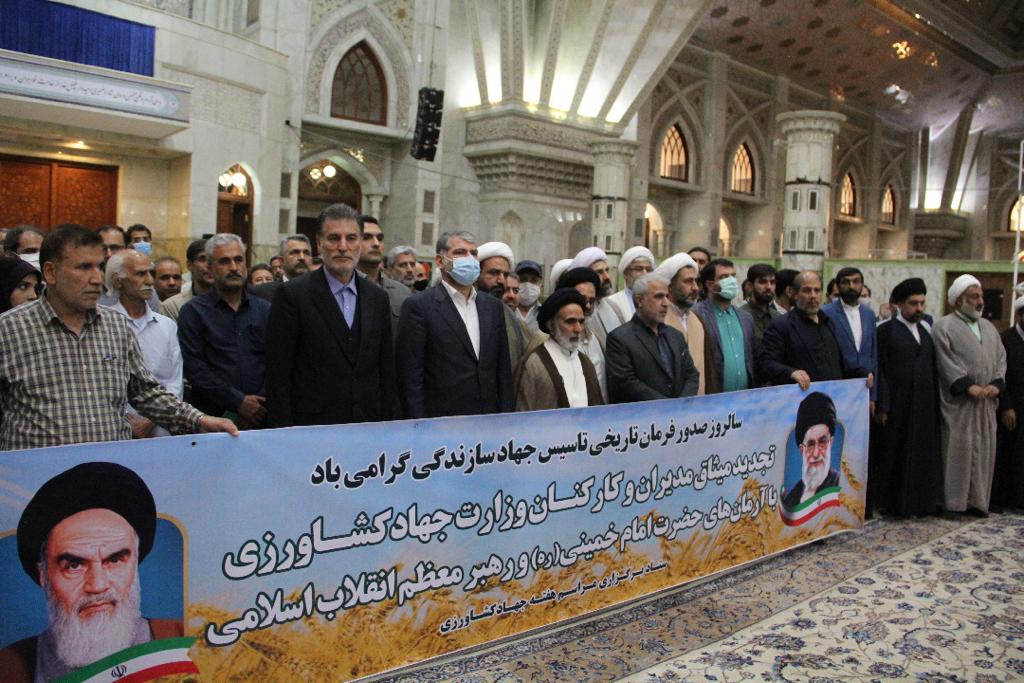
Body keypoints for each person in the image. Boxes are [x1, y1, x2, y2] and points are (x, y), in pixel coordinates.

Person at [0, 225, 235, 449]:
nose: (97, 279)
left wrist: (198, 420)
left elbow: (146, 392)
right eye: (84, 267)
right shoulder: (9, 330)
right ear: (51, 272)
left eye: (99, 267)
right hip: (37, 473)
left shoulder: (116, 326)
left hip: (110, 467)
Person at [0, 463, 183, 682]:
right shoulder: (8, 668)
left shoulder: (188, 640)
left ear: (135, 562)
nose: (97, 585)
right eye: (74, 566)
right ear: (43, 574)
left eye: (114, 560)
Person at [264, 203, 396, 427]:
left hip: (368, 427)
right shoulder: (293, 295)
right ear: (319, 243)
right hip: (312, 428)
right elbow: (278, 373)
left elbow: (385, 370)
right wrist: (284, 433)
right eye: (334, 238)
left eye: (351, 238)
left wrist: (387, 426)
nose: (343, 247)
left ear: (360, 243)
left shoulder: (377, 298)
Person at [396, 230, 513, 418]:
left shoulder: (492, 307)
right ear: (441, 261)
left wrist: (506, 418)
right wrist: (419, 425)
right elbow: (410, 377)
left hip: (488, 421)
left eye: (473, 253)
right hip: (441, 423)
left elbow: (503, 372)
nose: (469, 258)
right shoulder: (419, 306)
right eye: (460, 252)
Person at [177, 234, 271, 429]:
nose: (234, 267)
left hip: (263, 416)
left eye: (238, 260)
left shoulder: (265, 309)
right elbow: (195, 369)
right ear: (210, 268)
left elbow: (277, 361)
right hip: (213, 419)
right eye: (224, 261)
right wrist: (239, 402)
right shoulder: (193, 312)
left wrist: (257, 405)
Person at [932, 274, 1007, 514]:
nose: (980, 301)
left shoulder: (989, 328)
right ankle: (954, 503)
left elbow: (1001, 359)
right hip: (959, 404)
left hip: (985, 403)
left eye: (981, 296)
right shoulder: (943, 327)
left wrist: (996, 384)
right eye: (974, 297)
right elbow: (945, 361)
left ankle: (978, 502)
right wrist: (967, 386)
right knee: (957, 451)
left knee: (984, 451)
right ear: (959, 300)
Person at [874, 277, 941, 517]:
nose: (919, 309)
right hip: (897, 406)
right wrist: (882, 405)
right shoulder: (885, 331)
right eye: (913, 304)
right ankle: (893, 504)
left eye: (922, 303)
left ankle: (918, 504)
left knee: (920, 454)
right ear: (900, 305)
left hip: (922, 406)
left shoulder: (925, 331)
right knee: (895, 453)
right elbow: (880, 369)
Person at [104, 250, 183, 439]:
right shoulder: (103, 325)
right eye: (140, 274)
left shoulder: (167, 326)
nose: (149, 281)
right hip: (115, 430)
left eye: (150, 273)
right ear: (117, 281)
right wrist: (126, 421)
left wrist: (151, 420)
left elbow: (174, 382)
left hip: (161, 429)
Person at [605, 273, 700, 402]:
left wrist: (681, 404)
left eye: (667, 296)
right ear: (639, 301)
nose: (666, 303)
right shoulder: (619, 339)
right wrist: (666, 406)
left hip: (679, 412)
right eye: (658, 297)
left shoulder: (675, 335)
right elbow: (626, 383)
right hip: (643, 412)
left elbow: (691, 375)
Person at [758, 270, 854, 389]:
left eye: (817, 290)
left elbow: (840, 364)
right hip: (800, 397)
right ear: (794, 294)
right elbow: (766, 364)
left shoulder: (828, 323)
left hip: (832, 395)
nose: (813, 296)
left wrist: (862, 373)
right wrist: (791, 373)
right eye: (807, 290)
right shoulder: (781, 326)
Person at [516, 288, 603, 411]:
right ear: (551, 325)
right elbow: (523, 413)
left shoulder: (585, 362)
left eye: (581, 322)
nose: (578, 329)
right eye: (570, 321)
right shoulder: (534, 364)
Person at [476, 241, 540, 378]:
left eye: (505, 275)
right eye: (494, 273)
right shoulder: (462, 312)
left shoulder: (513, 321)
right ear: (477, 273)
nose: (501, 280)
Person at [693, 258, 757, 393]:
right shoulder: (696, 315)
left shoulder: (746, 318)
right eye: (724, 277)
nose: (732, 281)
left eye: (733, 275)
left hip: (745, 397)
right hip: (712, 398)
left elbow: (752, 357)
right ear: (710, 285)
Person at [822, 266, 877, 408]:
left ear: (862, 285)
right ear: (838, 286)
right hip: (838, 386)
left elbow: (873, 355)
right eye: (846, 282)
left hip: (864, 388)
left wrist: (873, 396)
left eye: (856, 281)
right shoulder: (826, 313)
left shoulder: (869, 314)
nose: (851, 286)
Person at [655, 252, 711, 395]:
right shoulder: (657, 321)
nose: (695, 288)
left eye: (696, 281)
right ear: (669, 286)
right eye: (688, 281)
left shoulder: (697, 320)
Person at [781, 392, 841, 509]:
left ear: (831, 442)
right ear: (801, 449)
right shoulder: (790, 500)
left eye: (822, 442)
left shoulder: (841, 485)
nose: (816, 453)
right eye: (810, 444)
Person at [557, 267, 608, 401]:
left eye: (592, 301)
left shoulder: (596, 336)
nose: (588, 306)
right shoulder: (554, 339)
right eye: (582, 299)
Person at [356, 215, 410, 336]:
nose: (376, 243)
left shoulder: (402, 292)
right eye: (366, 237)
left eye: (380, 238)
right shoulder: (343, 289)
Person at [994, 295, 1024, 509]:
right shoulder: (1006, 339)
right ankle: (1007, 499)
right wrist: (1006, 406)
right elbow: (999, 375)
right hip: (1011, 408)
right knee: (1009, 455)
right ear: (1019, 315)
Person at [570, 246, 623, 339]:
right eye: (599, 272)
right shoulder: (575, 310)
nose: (607, 277)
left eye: (607, 270)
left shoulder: (613, 307)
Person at [602, 246, 657, 333]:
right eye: (639, 269)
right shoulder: (612, 303)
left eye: (649, 269)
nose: (645, 273)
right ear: (626, 274)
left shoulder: (660, 302)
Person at [161, 239, 213, 322]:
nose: (209, 265)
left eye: (213, 259)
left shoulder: (230, 301)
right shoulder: (173, 306)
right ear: (190, 265)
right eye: (203, 259)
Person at [250, 235, 313, 303]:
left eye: (306, 253)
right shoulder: (262, 293)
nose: (302, 257)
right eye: (295, 252)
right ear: (281, 261)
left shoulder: (319, 290)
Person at [740, 263, 779, 346]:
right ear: (750, 286)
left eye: (772, 282)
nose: (769, 287)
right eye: (762, 282)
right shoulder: (740, 317)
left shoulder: (778, 317)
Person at [514, 259, 544, 332]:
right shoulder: (505, 311)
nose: (527, 284)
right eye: (522, 279)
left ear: (541, 284)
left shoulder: (546, 314)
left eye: (534, 280)